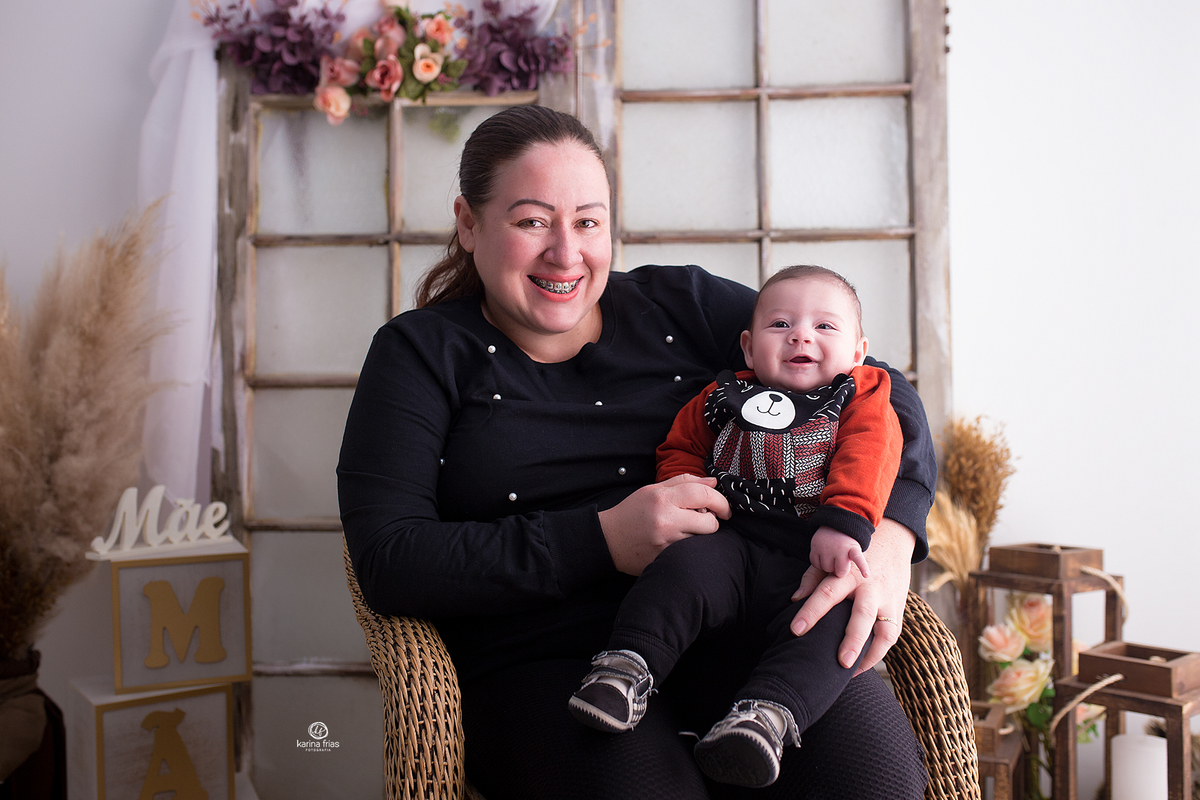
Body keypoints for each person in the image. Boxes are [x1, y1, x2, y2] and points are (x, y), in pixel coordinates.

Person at [337, 105, 936, 799]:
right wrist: (603, 539)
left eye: (588, 222)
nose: (566, 253)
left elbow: (876, 392)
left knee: (876, 784)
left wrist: (889, 546)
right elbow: (389, 560)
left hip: (747, 628)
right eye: (532, 221)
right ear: (469, 223)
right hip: (547, 663)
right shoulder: (419, 353)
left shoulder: (681, 304)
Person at [568, 266, 903, 789]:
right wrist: (683, 494)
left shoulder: (859, 395)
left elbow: (872, 454)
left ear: (859, 351)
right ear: (748, 348)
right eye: (781, 325)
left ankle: (765, 718)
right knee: (678, 573)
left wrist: (844, 525)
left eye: (825, 327)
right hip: (727, 543)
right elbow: (681, 445)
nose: (801, 335)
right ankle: (625, 668)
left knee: (831, 625)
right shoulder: (722, 396)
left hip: (809, 561)